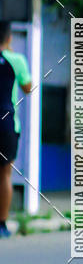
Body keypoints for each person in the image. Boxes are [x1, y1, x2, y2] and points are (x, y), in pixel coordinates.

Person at [0, 21, 32, 238]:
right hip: (6, 123)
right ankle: (1, 224)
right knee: (5, 174)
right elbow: (28, 87)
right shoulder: (17, 60)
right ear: (9, 37)